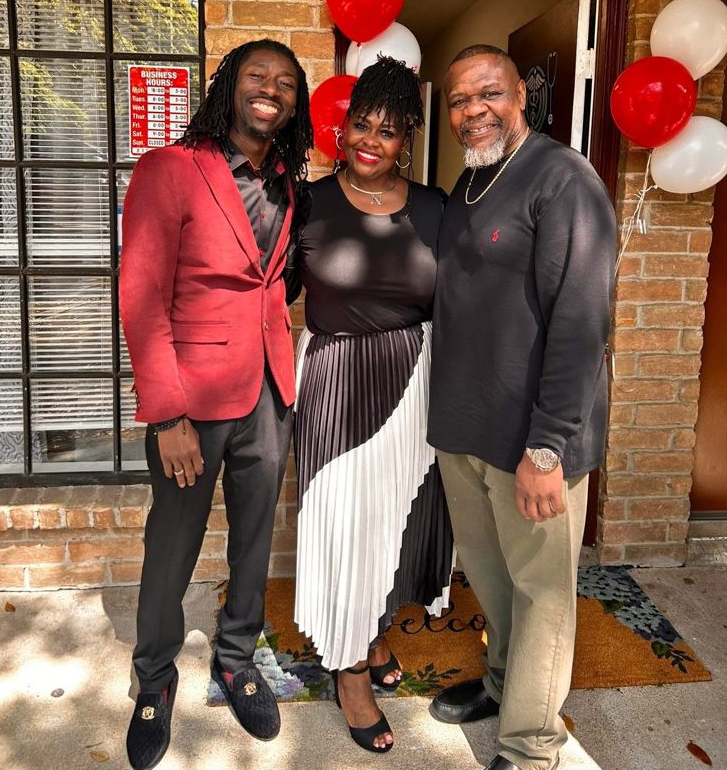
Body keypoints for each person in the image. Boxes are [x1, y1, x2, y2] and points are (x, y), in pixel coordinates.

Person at [119, 39, 312, 770]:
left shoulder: (287, 182)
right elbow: (140, 297)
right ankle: (155, 678)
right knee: (172, 545)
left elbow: (272, 280)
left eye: (286, 83)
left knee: (255, 538)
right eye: (258, 77)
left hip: (269, 389)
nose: (272, 90)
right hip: (190, 402)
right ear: (229, 87)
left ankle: (235, 660)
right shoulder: (170, 169)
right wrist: (166, 415)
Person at [427, 45, 616, 770]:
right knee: (494, 578)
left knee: (542, 593)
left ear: (521, 98)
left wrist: (548, 448)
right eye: (458, 100)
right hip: (466, 433)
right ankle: (505, 685)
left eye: (489, 94)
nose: (473, 110)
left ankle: (532, 744)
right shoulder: (469, 184)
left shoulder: (563, 180)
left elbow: (581, 324)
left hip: (533, 443)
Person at [287, 56, 455, 756]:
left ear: (407, 139)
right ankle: (349, 672)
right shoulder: (309, 203)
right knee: (341, 522)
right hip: (334, 380)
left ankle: (372, 629)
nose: (371, 140)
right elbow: (263, 292)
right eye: (362, 123)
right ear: (342, 127)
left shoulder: (435, 207)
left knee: (393, 524)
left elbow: (464, 300)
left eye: (388, 130)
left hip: (414, 381)